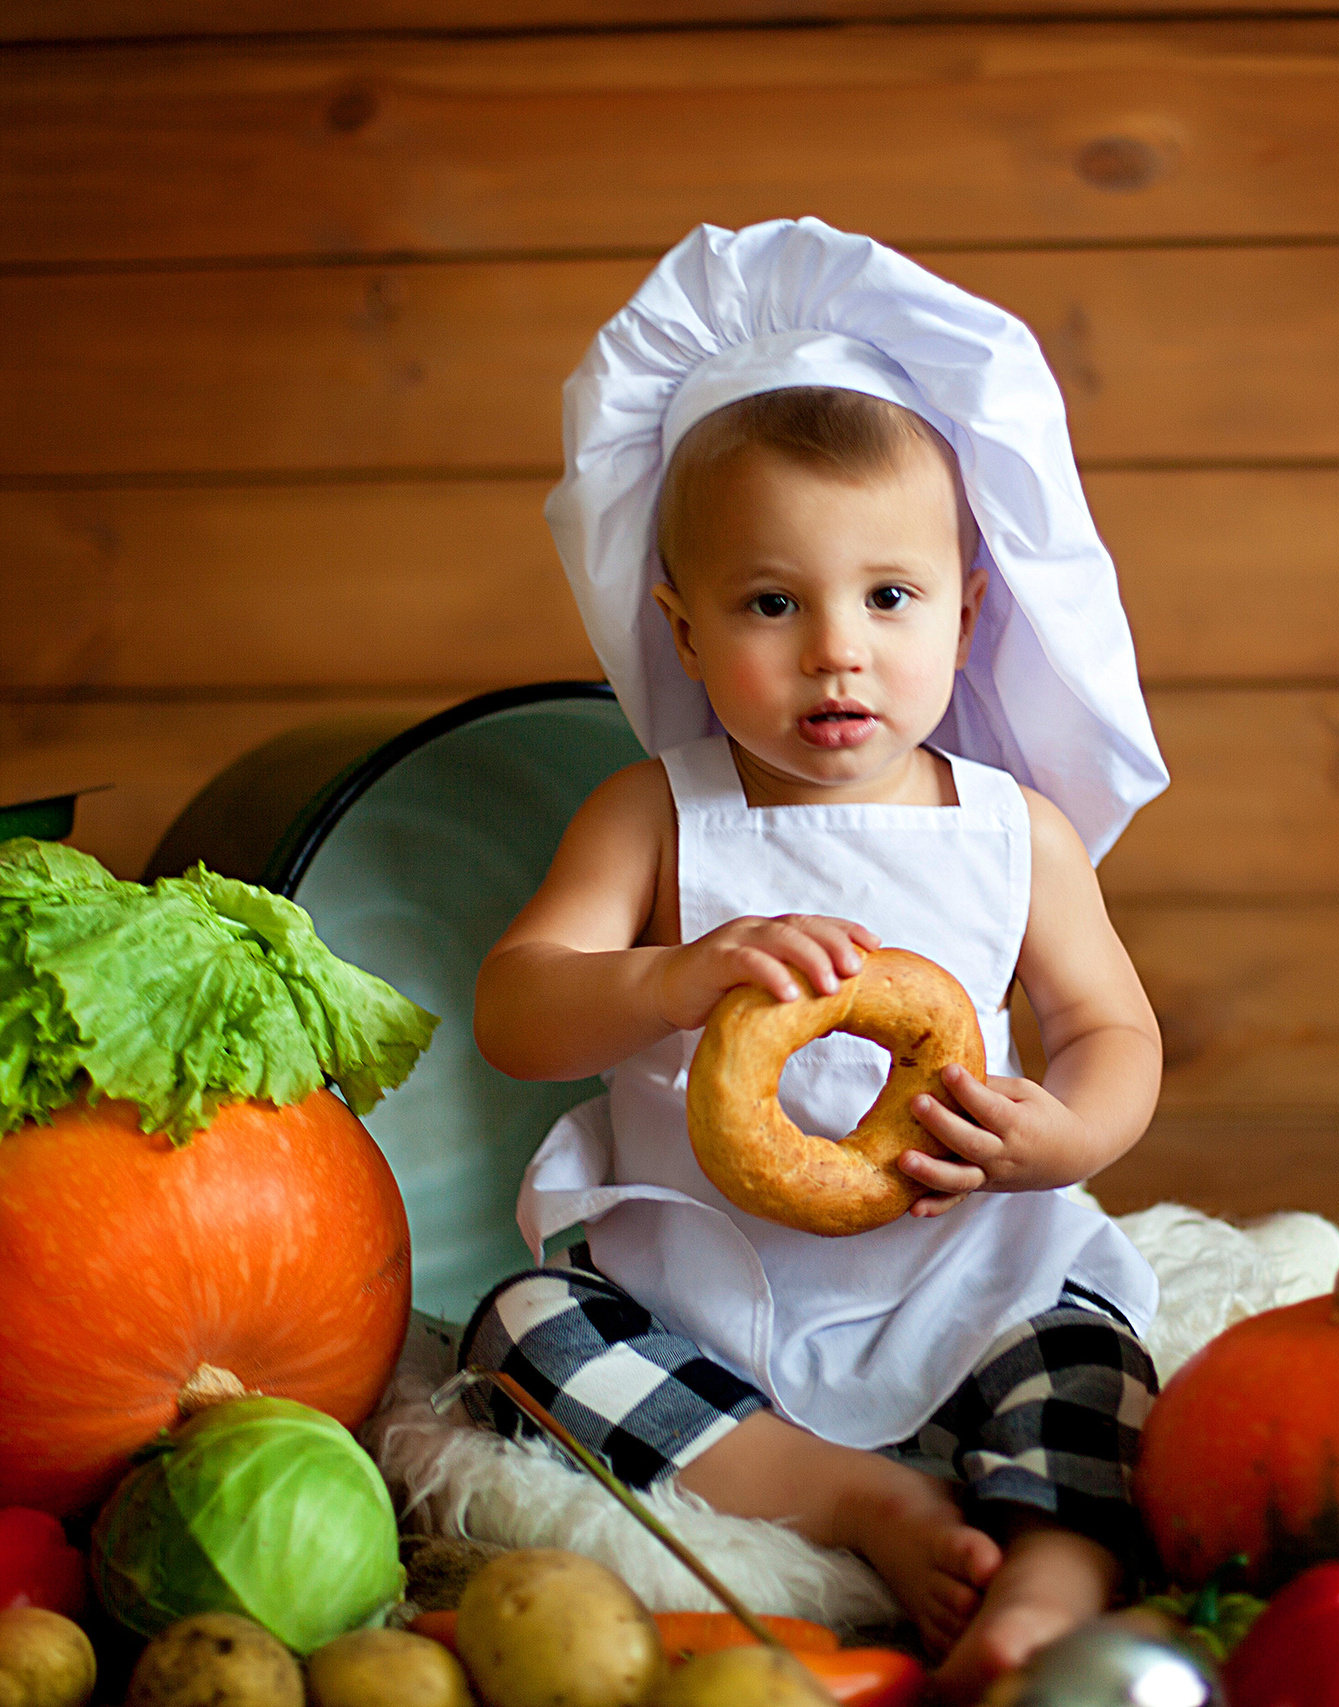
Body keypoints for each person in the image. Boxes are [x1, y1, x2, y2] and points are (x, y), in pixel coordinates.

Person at [461, 218, 1172, 1696]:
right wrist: (670, 978)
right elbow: (516, 1010)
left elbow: (1111, 1028)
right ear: (683, 628)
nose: (837, 649)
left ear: (967, 613)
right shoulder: (657, 813)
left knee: (1093, 1357)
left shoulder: (1010, 830)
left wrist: (1062, 1137)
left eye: (889, 597)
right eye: (773, 603)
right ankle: (849, 1501)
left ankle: (1044, 1584)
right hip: (700, 1283)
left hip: (960, 1268)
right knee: (523, 1330)